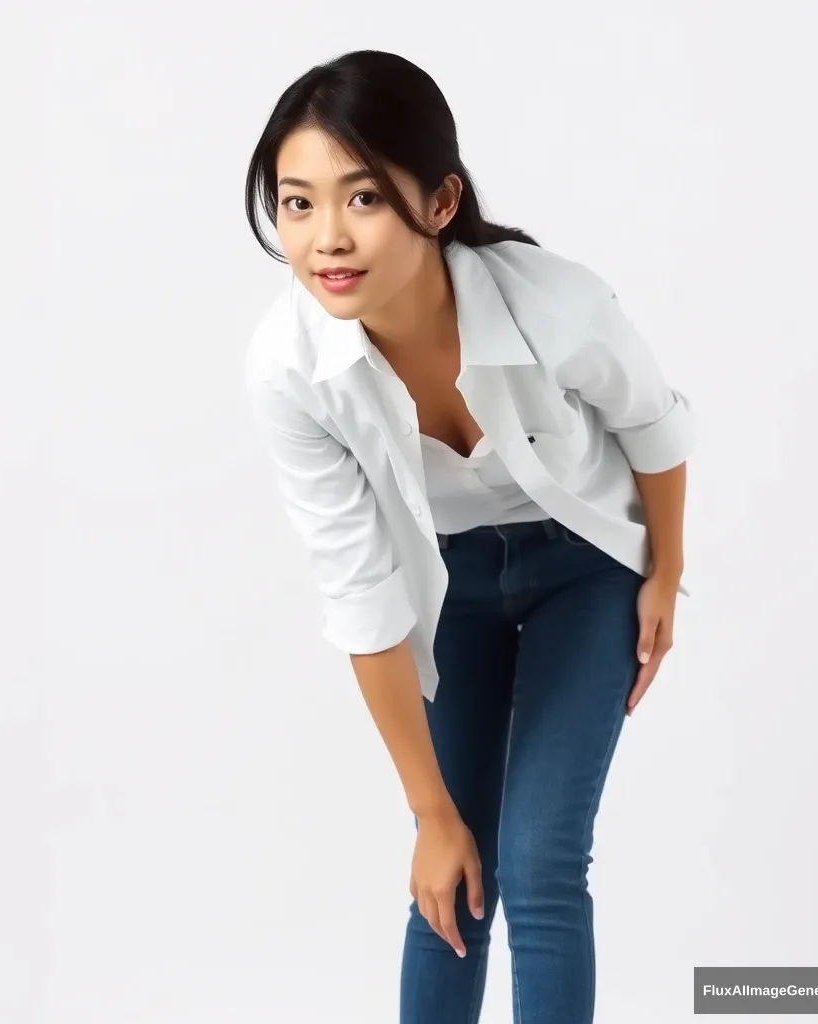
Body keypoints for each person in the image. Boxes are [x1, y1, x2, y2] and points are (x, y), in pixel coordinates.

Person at [243, 48, 694, 1024]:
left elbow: (654, 425)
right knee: (450, 869)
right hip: (443, 586)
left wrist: (666, 571)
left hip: (584, 570)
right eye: (296, 203)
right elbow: (359, 592)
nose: (326, 237)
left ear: (439, 201)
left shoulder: (552, 300)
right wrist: (428, 812)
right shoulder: (287, 368)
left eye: (361, 198)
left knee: (538, 863)